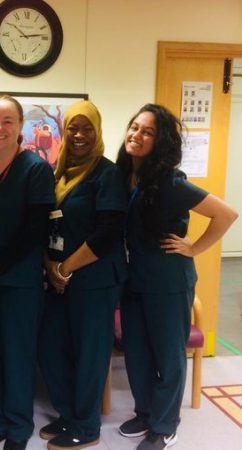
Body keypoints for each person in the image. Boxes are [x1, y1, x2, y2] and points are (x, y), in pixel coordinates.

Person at [116, 104, 238, 450]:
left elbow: (226, 214)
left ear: (161, 141)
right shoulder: (124, 176)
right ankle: (145, 414)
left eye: (148, 132)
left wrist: (194, 248)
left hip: (167, 283)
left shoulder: (170, 182)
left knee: (168, 357)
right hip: (134, 281)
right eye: (135, 127)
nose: (137, 135)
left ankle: (165, 425)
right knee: (137, 354)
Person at [37, 100, 128, 450]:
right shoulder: (58, 172)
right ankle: (69, 412)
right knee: (49, 346)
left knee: (90, 353)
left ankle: (87, 426)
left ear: (97, 131)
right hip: (58, 280)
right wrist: (50, 265)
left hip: (95, 280)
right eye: (72, 128)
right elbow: (46, 225)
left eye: (87, 128)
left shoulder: (108, 174)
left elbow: (108, 233)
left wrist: (65, 268)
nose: (79, 135)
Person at [0, 95, 55, 450]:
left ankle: (18, 427)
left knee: (17, 355)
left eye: (7, 121)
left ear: (21, 126)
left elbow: (36, 229)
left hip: (19, 281)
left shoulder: (36, 169)